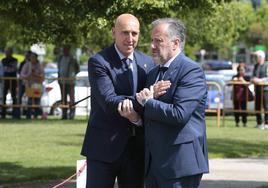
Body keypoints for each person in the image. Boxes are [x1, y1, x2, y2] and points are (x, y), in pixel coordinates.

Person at [120, 18, 209, 188]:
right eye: (152, 40)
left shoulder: (191, 70)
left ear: (175, 43)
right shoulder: (153, 73)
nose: (152, 46)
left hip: (180, 165)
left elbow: (179, 114)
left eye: (158, 41)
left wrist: (148, 101)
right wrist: (136, 118)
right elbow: (151, 117)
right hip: (153, 165)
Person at [81, 13, 154, 188]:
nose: (130, 38)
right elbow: (109, 101)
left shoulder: (148, 63)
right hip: (103, 148)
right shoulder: (98, 62)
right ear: (114, 32)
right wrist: (141, 99)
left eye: (134, 33)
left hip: (136, 150)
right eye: (125, 32)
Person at [57, 45, 80, 119]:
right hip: (62, 81)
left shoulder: (73, 58)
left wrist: (72, 76)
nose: (64, 51)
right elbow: (59, 68)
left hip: (70, 82)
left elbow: (77, 69)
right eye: (64, 49)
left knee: (72, 98)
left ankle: (72, 114)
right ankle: (64, 114)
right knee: (63, 99)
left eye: (66, 49)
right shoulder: (60, 58)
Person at [21, 52, 44, 119]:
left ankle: (36, 116)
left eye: (34, 57)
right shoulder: (27, 65)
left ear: (36, 58)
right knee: (29, 101)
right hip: (29, 85)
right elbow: (22, 74)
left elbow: (42, 76)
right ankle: (28, 115)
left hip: (37, 86)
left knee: (37, 101)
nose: (32, 59)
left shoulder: (40, 66)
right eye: (31, 57)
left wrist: (36, 75)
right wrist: (28, 76)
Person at [251, 50, 268, 130]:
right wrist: (253, 79)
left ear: (261, 57)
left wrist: (259, 80)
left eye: (256, 56)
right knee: (257, 106)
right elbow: (253, 76)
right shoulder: (256, 66)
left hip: (265, 89)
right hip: (257, 89)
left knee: (266, 106)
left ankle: (267, 123)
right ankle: (259, 122)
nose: (255, 58)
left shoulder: (267, 65)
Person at [1, 47, 19, 119]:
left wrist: (8, 67)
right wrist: (9, 67)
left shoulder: (15, 60)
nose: (6, 53)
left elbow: (13, 69)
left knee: (14, 97)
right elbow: (4, 69)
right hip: (5, 81)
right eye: (5, 51)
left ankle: (15, 114)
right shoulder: (3, 60)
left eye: (8, 51)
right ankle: (3, 114)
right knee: (3, 97)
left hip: (13, 80)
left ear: (11, 52)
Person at [231, 63, 251, 127]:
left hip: (244, 96)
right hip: (236, 96)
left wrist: (243, 80)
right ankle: (237, 122)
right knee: (236, 109)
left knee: (244, 109)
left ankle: (244, 122)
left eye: (242, 70)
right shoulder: (235, 77)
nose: (241, 71)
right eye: (240, 70)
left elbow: (248, 84)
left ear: (245, 70)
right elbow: (229, 83)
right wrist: (234, 80)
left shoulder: (247, 77)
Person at [18, 50, 32, 117]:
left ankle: (28, 114)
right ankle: (18, 114)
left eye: (28, 55)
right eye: (26, 55)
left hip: (30, 84)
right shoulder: (22, 63)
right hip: (22, 83)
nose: (26, 56)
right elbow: (20, 73)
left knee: (30, 99)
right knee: (19, 98)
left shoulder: (33, 63)